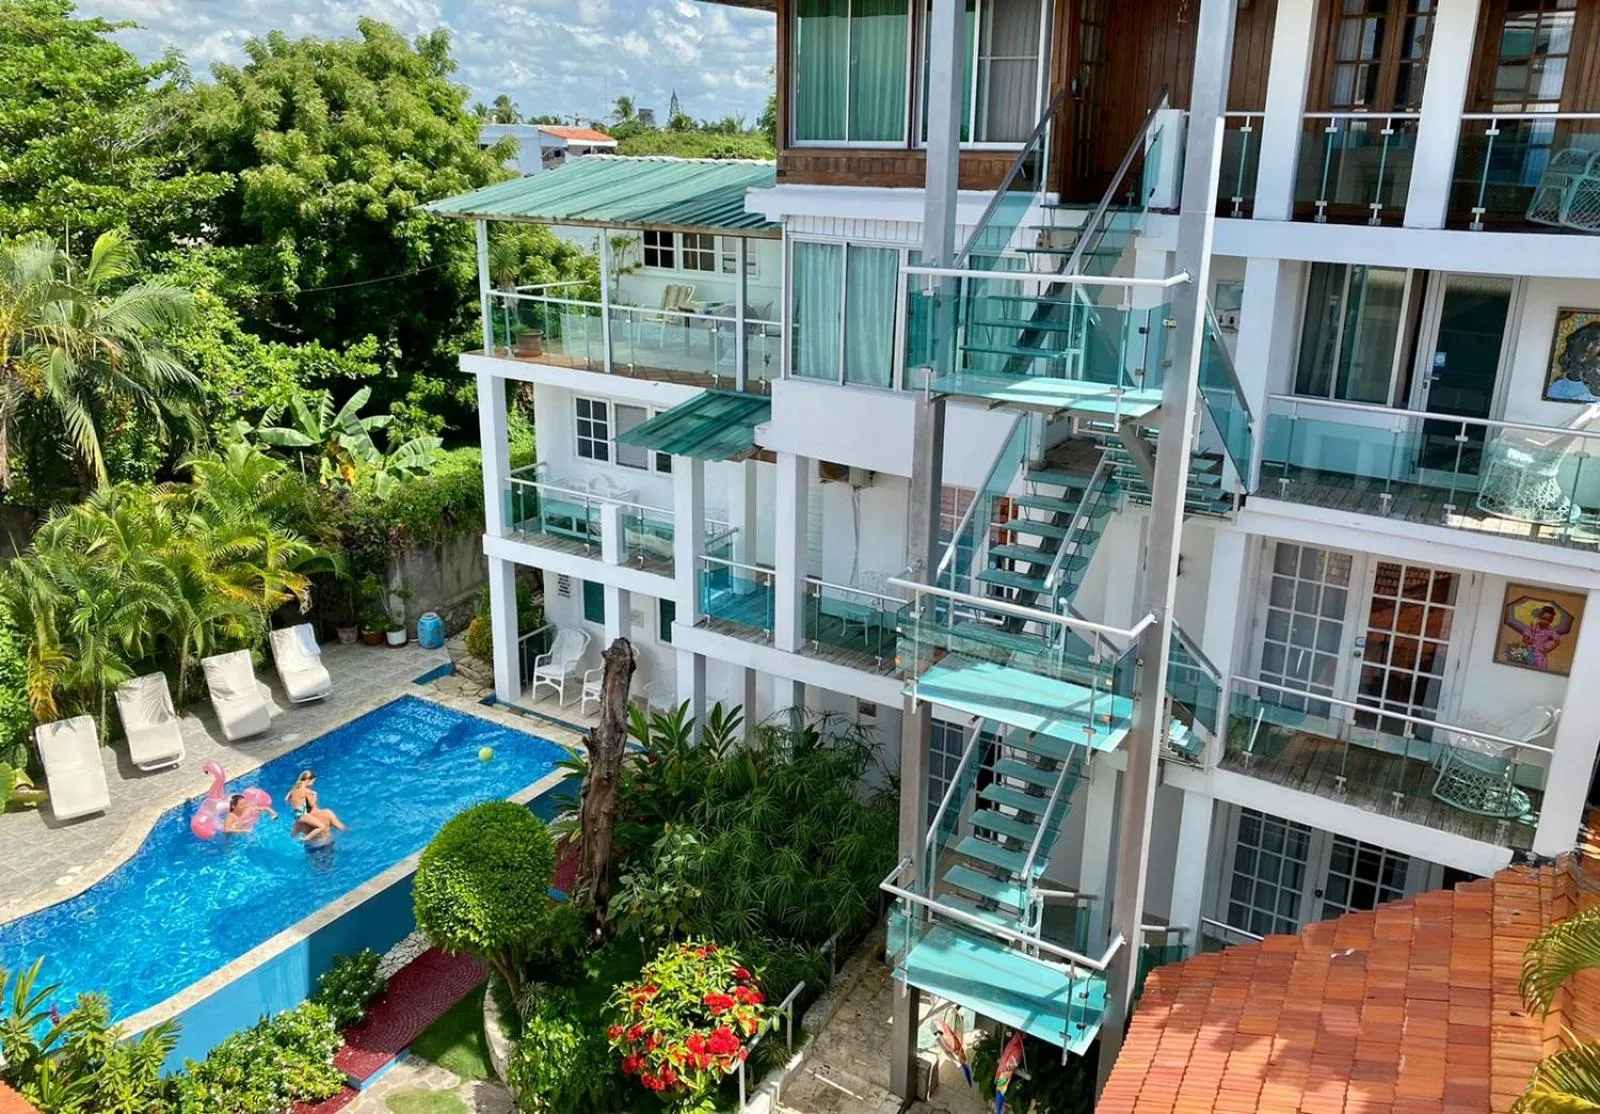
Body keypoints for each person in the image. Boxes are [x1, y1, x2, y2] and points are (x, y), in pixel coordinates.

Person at [286, 770, 348, 841]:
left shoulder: (298, 822)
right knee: (322, 827)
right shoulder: (327, 813)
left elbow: (292, 837)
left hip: (310, 847)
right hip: (326, 844)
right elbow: (341, 828)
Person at [1508, 604, 1564, 671]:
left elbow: (1557, 642)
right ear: (1539, 617)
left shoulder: (1551, 631)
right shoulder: (1532, 627)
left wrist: (1548, 650)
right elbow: (1524, 639)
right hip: (1530, 652)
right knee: (1527, 669)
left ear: (1551, 621)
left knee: (1539, 670)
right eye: (1543, 619)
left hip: (1540, 654)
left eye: (1548, 620)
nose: (1545, 621)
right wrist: (1528, 641)